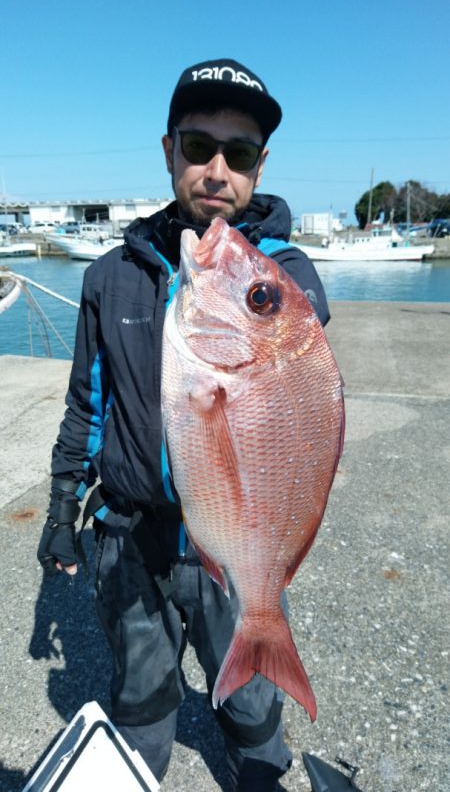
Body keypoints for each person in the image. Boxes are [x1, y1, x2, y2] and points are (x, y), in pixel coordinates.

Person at [37, 58, 330, 791]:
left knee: (255, 705)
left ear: (262, 167)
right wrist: (61, 505)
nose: (217, 170)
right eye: (198, 147)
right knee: (141, 691)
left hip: (232, 544)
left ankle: (261, 771)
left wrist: (253, 301)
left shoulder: (280, 275)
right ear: (169, 152)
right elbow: (86, 402)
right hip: (129, 536)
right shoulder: (109, 277)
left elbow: (301, 394)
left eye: (240, 154)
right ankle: (140, 767)